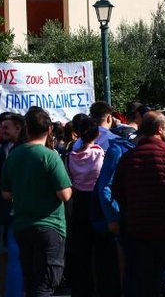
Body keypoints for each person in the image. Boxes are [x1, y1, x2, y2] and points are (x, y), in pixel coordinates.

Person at [111, 111, 165, 297]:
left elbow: (117, 191)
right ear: (159, 129)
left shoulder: (128, 158)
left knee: (148, 282)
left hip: (139, 229)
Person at [1, 107, 72, 297]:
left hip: (22, 225)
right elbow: (65, 194)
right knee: (46, 282)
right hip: (50, 225)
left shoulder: (13, 155)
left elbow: (6, 193)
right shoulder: (50, 156)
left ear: (26, 128)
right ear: (49, 129)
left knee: (32, 281)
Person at [64, 116, 104, 297]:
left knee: (81, 251)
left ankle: (81, 289)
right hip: (97, 201)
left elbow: (69, 181)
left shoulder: (70, 155)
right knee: (100, 249)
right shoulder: (99, 152)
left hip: (78, 202)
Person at [0, 112, 23, 297]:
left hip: (8, 214)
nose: (1, 131)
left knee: (7, 258)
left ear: (18, 128)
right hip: (10, 213)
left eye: (6, 127)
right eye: (0, 126)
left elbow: (0, 184)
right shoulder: (10, 148)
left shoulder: (7, 150)